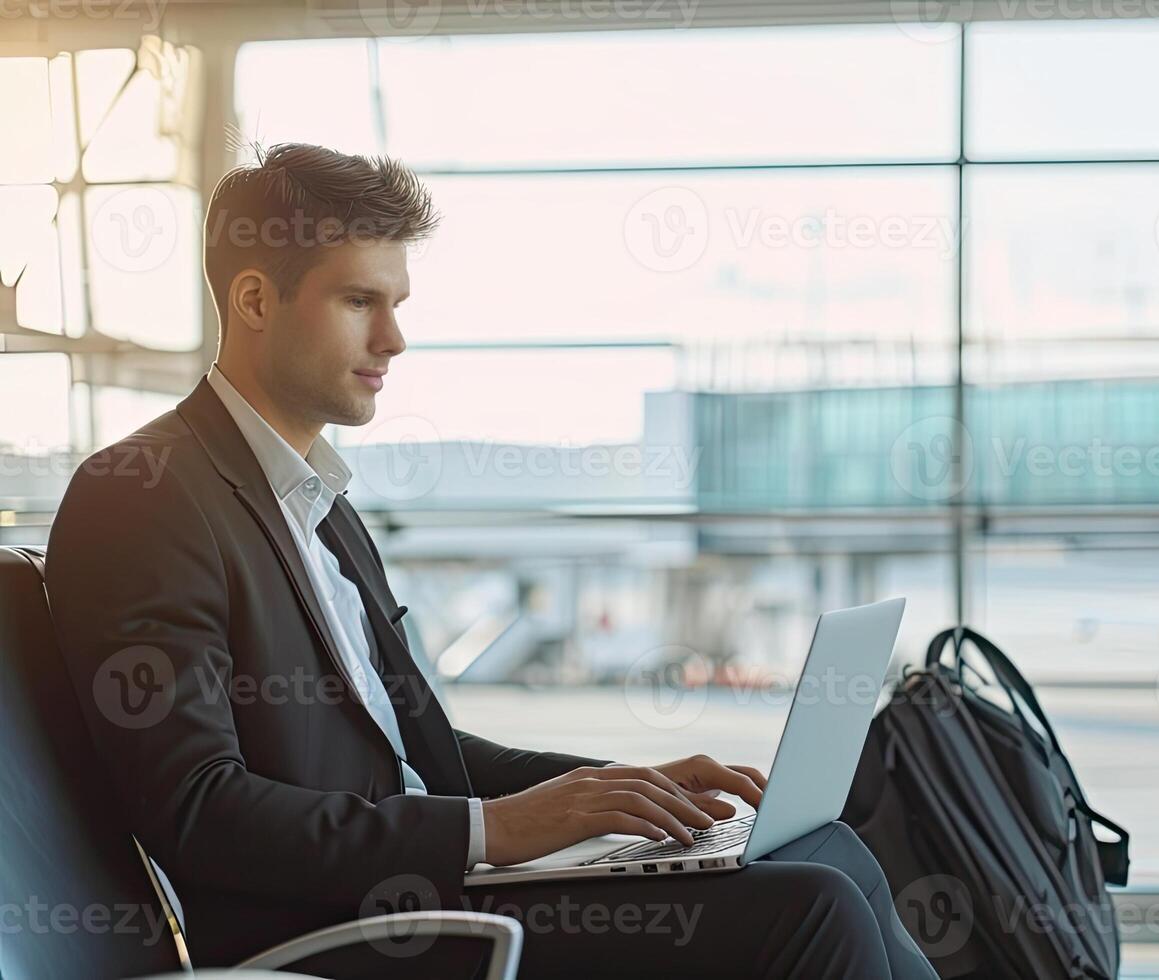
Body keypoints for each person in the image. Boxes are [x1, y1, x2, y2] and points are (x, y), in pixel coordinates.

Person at [46, 142, 935, 980]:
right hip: (330, 931)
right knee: (809, 909)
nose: (394, 340)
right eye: (360, 302)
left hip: (432, 885)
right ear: (253, 302)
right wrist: (495, 830)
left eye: (398, 305)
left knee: (826, 851)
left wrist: (611, 789)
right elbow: (201, 810)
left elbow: (414, 749)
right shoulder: (146, 494)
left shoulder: (316, 497)